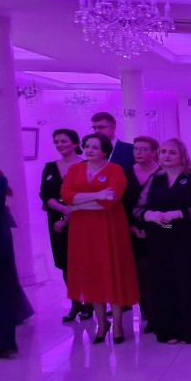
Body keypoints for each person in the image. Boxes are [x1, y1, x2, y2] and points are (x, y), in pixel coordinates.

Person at [134, 138, 191, 344]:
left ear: (182, 156)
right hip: (159, 239)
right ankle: (168, 330)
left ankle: (190, 331)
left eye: (172, 152)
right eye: (163, 152)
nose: (167, 156)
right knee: (163, 283)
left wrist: (181, 213)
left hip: (190, 239)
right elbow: (138, 208)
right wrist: (148, 215)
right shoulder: (155, 179)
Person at [61, 133, 139, 344]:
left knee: (111, 271)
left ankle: (118, 324)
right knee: (92, 272)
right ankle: (102, 323)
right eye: (87, 146)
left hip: (109, 227)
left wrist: (78, 205)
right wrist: (96, 195)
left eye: (95, 147)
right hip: (82, 230)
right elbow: (67, 196)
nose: (89, 150)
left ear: (105, 151)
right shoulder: (75, 169)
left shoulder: (115, 170)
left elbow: (110, 201)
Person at [40, 129, 90, 322]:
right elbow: (45, 194)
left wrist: (70, 212)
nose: (59, 145)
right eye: (56, 142)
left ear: (75, 143)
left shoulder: (86, 165)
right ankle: (75, 302)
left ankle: (90, 302)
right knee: (65, 262)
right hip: (57, 219)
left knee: (84, 261)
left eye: (64, 141)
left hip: (82, 217)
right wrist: (62, 209)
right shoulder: (50, 167)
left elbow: (88, 192)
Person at [122, 136, 159, 334]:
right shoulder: (126, 173)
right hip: (134, 229)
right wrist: (131, 227)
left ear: (154, 152)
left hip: (161, 227)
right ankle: (148, 311)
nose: (138, 152)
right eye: (136, 149)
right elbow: (123, 203)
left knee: (159, 270)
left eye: (143, 149)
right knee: (142, 271)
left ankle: (162, 310)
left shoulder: (162, 172)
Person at [0, 165, 33, 358]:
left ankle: (7, 344)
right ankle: (7, 343)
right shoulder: (0, 181)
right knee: (3, 294)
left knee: (2, 295)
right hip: (0, 244)